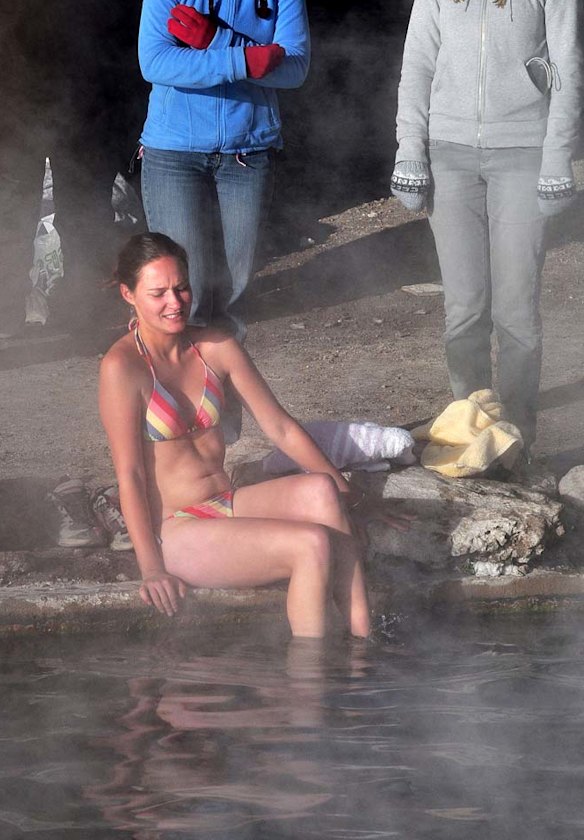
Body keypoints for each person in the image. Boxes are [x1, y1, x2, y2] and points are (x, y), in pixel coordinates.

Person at [100, 232, 378, 639]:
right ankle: (311, 682)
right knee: (310, 544)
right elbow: (131, 476)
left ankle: (361, 644)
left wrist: (354, 498)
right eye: (158, 293)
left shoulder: (215, 346)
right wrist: (152, 569)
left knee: (322, 490)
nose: (175, 303)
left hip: (226, 502)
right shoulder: (122, 367)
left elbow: (280, 427)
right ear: (129, 294)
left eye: (181, 288)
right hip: (176, 530)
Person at [391, 0, 582, 451]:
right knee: (465, 311)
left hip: (523, 153)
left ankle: (517, 441)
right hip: (449, 155)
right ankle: (471, 433)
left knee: (516, 312)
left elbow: (569, 67)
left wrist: (557, 155)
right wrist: (410, 149)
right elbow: (417, 64)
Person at [138, 0, 310, 342]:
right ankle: (178, 382)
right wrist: (243, 59)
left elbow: (295, 68)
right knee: (185, 287)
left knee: (235, 290)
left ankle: (221, 387)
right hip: (174, 153)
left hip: (248, 152)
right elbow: (156, 62)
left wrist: (219, 41)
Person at [0, 0, 147, 337]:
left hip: (88, 97)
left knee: (85, 209)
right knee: (9, 209)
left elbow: (124, 27)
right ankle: (6, 311)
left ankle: (84, 306)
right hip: (15, 99)